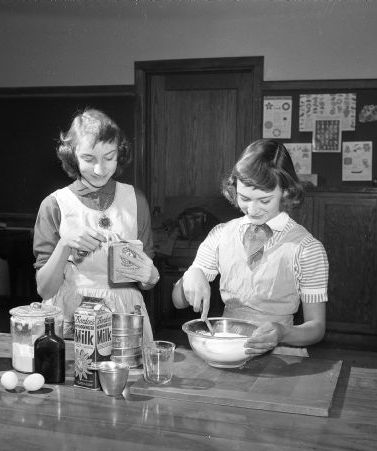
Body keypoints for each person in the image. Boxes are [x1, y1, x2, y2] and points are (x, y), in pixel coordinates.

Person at [172, 139, 328, 357]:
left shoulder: (307, 248)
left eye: (264, 200)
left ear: (286, 191)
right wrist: (192, 274)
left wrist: (283, 333)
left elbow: (317, 327)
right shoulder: (220, 235)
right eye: (244, 198)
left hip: (282, 354)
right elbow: (178, 302)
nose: (252, 210)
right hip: (226, 348)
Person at [33, 109, 159, 341]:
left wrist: (148, 274)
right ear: (72, 156)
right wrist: (65, 244)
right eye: (89, 159)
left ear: (119, 154)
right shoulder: (54, 205)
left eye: (109, 157)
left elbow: (146, 284)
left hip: (125, 315)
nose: (100, 170)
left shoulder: (136, 200)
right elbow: (45, 290)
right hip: (69, 314)